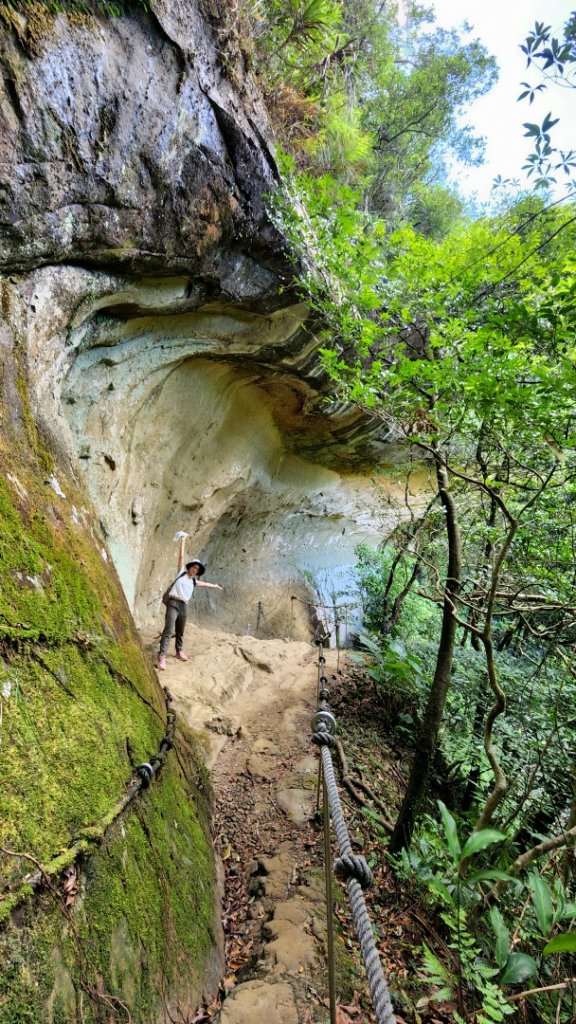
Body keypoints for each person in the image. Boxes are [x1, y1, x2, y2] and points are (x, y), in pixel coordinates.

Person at [156, 538, 223, 670]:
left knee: (180, 630)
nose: (195, 570)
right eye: (193, 567)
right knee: (169, 629)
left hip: (183, 606)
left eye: (197, 569)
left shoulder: (193, 582)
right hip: (173, 603)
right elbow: (181, 556)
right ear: (189, 567)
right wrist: (183, 540)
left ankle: (178, 651)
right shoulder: (181, 573)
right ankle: (162, 656)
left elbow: (204, 584)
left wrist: (215, 585)